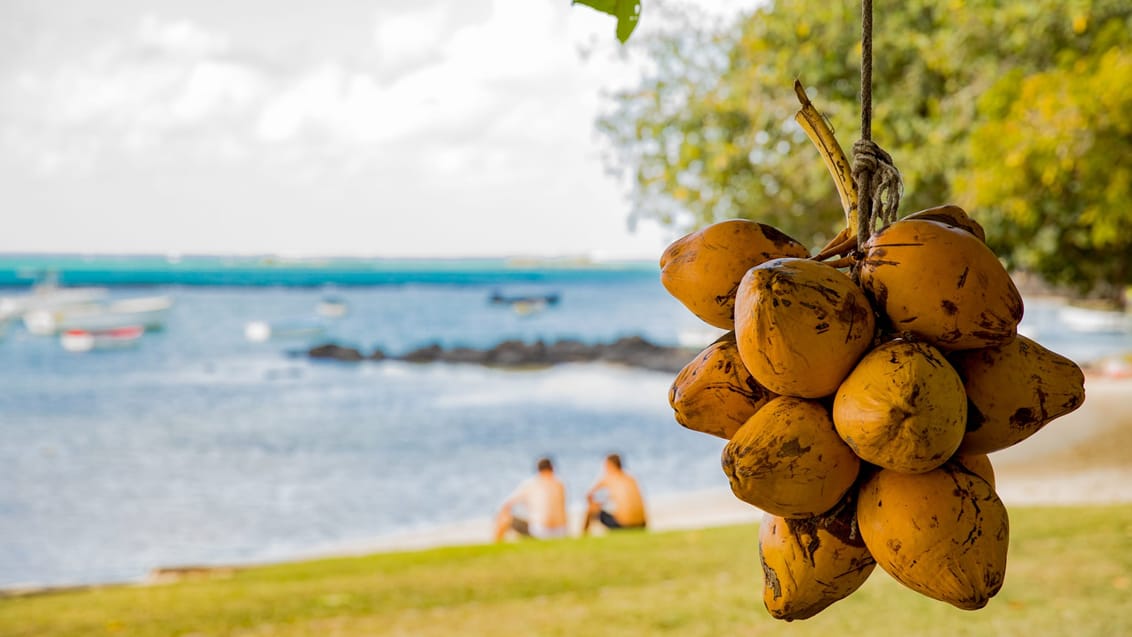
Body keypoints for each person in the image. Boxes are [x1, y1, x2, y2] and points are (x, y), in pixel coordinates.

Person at [493, 457, 568, 542]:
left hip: (540, 532)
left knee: (504, 516)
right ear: (552, 468)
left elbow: (506, 505)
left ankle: (496, 543)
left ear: (538, 470)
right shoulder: (560, 483)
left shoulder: (531, 484)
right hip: (561, 532)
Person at [582, 453, 647, 534]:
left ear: (610, 465)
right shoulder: (631, 478)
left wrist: (596, 504)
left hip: (624, 525)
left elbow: (589, 495)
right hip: (642, 524)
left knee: (592, 508)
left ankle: (584, 534)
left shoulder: (608, 478)